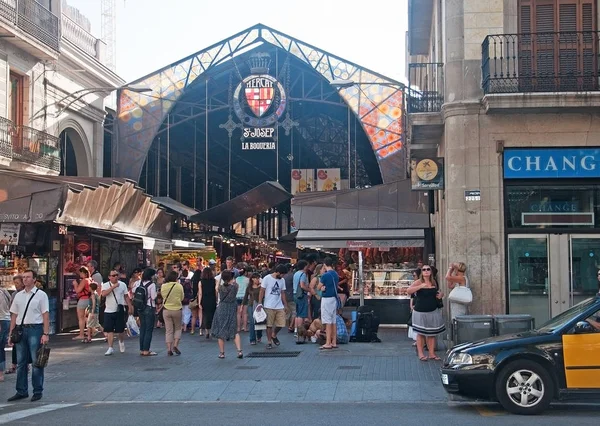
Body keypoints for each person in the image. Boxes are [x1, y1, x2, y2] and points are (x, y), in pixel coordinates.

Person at [7, 270, 50, 402]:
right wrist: (10, 333)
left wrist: (45, 333)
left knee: (37, 361)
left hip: (35, 329)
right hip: (20, 330)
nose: (25, 280)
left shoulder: (41, 295)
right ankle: (21, 390)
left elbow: (46, 315)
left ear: (34, 279)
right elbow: (14, 315)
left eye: (28, 277)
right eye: (24, 277)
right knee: (21, 362)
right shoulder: (18, 296)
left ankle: (37, 390)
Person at [407, 266, 445, 361]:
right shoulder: (418, 282)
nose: (426, 271)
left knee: (431, 333)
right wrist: (420, 286)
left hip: (432, 310)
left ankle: (432, 353)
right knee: (421, 333)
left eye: (428, 269)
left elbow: (436, 293)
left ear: (431, 272)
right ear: (421, 272)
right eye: (424, 269)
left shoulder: (434, 282)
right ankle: (421, 354)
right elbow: (408, 291)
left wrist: (441, 295)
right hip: (420, 311)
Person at [211, 270, 243, 359]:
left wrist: (221, 277)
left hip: (222, 308)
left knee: (221, 330)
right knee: (234, 329)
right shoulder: (235, 287)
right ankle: (239, 351)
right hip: (232, 307)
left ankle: (222, 353)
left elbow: (216, 287)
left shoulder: (220, 288)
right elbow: (234, 282)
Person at [101, 270, 134, 356]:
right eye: (113, 275)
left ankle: (121, 341)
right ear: (109, 277)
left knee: (120, 330)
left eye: (116, 275)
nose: (115, 277)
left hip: (119, 310)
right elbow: (103, 294)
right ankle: (110, 347)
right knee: (109, 330)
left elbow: (126, 296)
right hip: (108, 310)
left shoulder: (122, 285)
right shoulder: (105, 285)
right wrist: (113, 287)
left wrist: (130, 306)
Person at [257, 264, 288, 349]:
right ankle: (269, 341)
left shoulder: (282, 280)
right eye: (282, 274)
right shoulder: (267, 278)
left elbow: (282, 293)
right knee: (269, 325)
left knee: (282, 323)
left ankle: (274, 335)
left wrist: (285, 304)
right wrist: (260, 302)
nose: (282, 276)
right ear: (277, 272)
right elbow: (262, 290)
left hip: (279, 305)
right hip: (268, 305)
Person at [133, 268, 158, 356]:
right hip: (149, 307)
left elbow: (133, 292)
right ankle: (146, 350)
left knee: (143, 328)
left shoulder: (138, 283)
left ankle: (142, 349)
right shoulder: (152, 285)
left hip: (140, 308)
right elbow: (154, 297)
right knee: (149, 329)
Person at [160, 271, 185, 356]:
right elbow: (182, 297)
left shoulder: (163, 286)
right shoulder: (179, 286)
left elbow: (162, 296)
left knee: (168, 330)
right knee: (178, 328)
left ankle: (169, 349)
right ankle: (175, 345)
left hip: (166, 309)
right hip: (177, 309)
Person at [319, 257, 339, 350]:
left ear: (324, 265)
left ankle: (328, 342)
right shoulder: (335, 274)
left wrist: (322, 287)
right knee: (333, 320)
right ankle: (334, 341)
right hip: (334, 298)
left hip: (327, 299)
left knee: (327, 321)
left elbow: (319, 287)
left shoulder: (325, 275)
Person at [243, 273, 263, 345]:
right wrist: (242, 306)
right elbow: (245, 297)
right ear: (253, 279)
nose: (258, 280)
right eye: (256, 278)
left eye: (258, 278)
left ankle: (259, 335)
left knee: (259, 321)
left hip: (259, 305)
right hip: (251, 305)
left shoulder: (261, 286)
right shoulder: (249, 287)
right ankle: (252, 338)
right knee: (252, 322)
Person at [73, 266, 92, 342]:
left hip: (83, 300)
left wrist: (75, 284)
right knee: (87, 317)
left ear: (83, 273)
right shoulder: (90, 280)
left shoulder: (84, 280)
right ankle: (90, 332)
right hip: (89, 299)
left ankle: (81, 334)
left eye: (80, 273)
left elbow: (78, 290)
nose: (80, 274)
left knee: (81, 318)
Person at [293, 260, 311, 341]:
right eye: (307, 266)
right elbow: (302, 285)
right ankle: (300, 332)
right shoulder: (303, 274)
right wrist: (309, 290)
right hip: (301, 295)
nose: (308, 267)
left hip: (295, 294)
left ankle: (296, 330)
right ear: (304, 266)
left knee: (297, 314)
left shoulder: (296, 273)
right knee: (301, 314)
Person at [199, 267, 217, 339]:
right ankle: (212, 330)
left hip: (204, 300)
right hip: (212, 299)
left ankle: (207, 332)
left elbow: (200, 293)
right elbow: (216, 292)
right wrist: (216, 299)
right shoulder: (214, 281)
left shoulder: (201, 282)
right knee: (212, 315)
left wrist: (199, 302)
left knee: (205, 315)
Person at [0, 283, 11, 382]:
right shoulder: (4, 291)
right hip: (6, 319)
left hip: (1, 321)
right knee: (1, 347)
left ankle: (0, 372)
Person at [179, 262, 194, 333]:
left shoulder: (179, 281)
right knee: (187, 312)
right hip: (188, 297)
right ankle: (185, 326)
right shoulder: (190, 281)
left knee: (182, 312)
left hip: (181, 298)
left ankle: (182, 326)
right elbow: (191, 289)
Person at [235, 267, 250, 332]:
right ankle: (245, 327)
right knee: (245, 313)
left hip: (237, 296)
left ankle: (238, 327)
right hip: (245, 297)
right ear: (245, 273)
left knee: (238, 313)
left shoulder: (236, 279)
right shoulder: (248, 280)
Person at [283, 265, 295, 333]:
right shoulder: (292, 276)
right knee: (294, 312)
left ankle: (287, 326)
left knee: (287, 312)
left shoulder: (283, 277)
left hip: (284, 296)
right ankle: (291, 326)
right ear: (290, 269)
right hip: (291, 296)